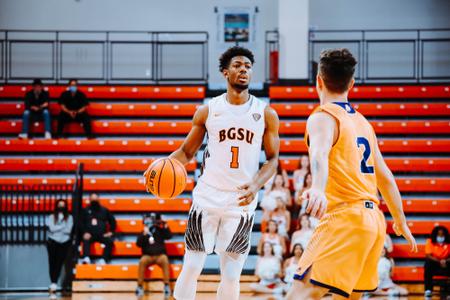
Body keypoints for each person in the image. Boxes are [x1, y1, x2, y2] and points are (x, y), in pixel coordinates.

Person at [146, 46, 280, 300]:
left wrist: (256, 185)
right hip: (206, 197)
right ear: (225, 72)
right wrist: (157, 169)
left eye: (248, 66)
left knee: (231, 276)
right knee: (193, 265)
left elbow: (272, 160)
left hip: (241, 201)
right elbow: (186, 152)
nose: (244, 70)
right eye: (238, 65)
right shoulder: (208, 110)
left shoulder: (266, 114)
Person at [287, 48, 417, 299]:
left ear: (319, 81)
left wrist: (316, 187)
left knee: (298, 295)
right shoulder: (363, 123)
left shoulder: (322, 117)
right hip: (374, 222)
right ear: (352, 83)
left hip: (344, 219)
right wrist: (400, 221)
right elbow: (386, 177)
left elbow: (319, 155)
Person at [135, 213, 173, 297]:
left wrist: (165, 225)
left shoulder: (159, 230)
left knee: (165, 259)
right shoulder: (143, 232)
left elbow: (169, 236)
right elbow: (138, 244)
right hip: (147, 256)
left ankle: (166, 285)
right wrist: (144, 234)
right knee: (142, 261)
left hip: (160, 256)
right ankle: (139, 286)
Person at [46, 199, 73, 295]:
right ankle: (53, 282)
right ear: (56, 206)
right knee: (52, 262)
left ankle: (55, 282)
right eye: (59, 205)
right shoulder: (51, 216)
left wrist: (58, 227)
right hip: (52, 242)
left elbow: (68, 230)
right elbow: (51, 228)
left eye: (63, 205)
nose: (61, 207)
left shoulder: (70, 217)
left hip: (64, 242)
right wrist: (62, 226)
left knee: (59, 263)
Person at [79, 194, 116, 265]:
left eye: (96, 199)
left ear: (99, 199)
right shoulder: (85, 210)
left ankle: (104, 259)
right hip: (89, 234)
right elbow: (80, 223)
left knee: (109, 242)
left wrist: (111, 232)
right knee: (85, 240)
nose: (94, 201)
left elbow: (112, 221)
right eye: (93, 199)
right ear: (89, 200)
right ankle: (86, 258)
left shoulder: (104, 210)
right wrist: (84, 232)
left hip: (101, 235)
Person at [424, 226, 449, 297]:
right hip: (434, 265)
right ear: (435, 235)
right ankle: (428, 290)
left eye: (442, 235)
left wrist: (445, 261)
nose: (440, 236)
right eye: (439, 234)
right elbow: (428, 255)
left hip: (446, 264)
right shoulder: (429, 241)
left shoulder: (448, 243)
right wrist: (440, 261)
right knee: (428, 263)